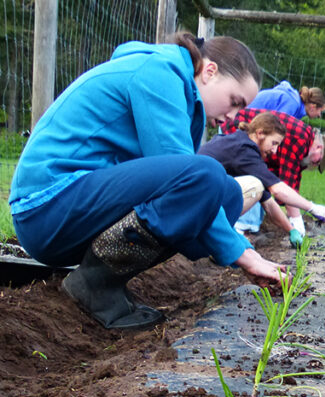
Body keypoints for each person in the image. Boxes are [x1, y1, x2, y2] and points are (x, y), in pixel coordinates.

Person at [9, 33, 287, 331]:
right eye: (234, 102)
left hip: (75, 207)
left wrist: (238, 251)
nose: (232, 116)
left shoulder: (178, 91)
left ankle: (108, 282)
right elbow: (191, 179)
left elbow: (195, 192)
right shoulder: (157, 75)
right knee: (206, 177)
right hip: (47, 206)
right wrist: (244, 254)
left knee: (226, 193)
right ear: (210, 71)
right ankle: (94, 285)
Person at [199, 111, 325, 245]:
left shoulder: (243, 145)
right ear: (260, 133)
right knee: (254, 186)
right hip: (199, 199)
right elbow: (278, 190)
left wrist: (291, 230)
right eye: (274, 143)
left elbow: (268, 203)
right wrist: (312, 207)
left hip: (202, 195)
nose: (275, 151)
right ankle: (220, 234)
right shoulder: (244, 150)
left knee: (259, 188)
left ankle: (220, 231)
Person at [249, 81, 325, 120]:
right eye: (320, 111)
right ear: (313, 107)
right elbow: (274, 126)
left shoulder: (295, 104)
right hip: (245, 116)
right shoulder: (292, 104)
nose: (319, 115)